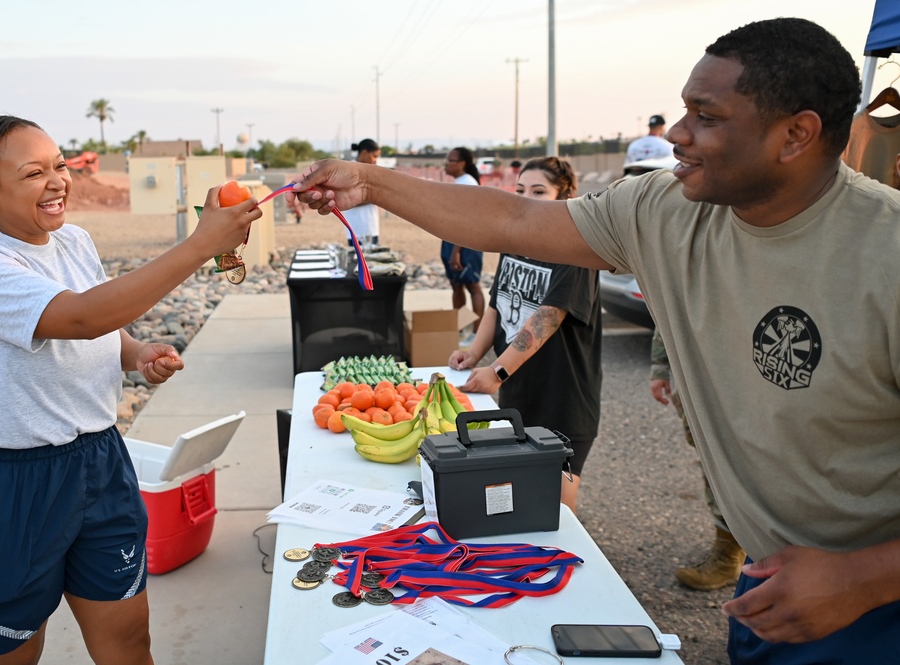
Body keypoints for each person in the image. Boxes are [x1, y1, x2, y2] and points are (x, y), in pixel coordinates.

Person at [291, 18, 900, 663]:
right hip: (774, 587)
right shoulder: (664, 209)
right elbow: (517, 218)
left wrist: (862, 578)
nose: (677, 136)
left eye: (707, 116)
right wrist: (374, 184)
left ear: (796, 134)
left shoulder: (882, 254)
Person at [0, 115, 259, 664]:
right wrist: (202, 245)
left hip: (98, 463)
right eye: (33, 173)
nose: (57, 180)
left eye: (59, 165)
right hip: (7, 479)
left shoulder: (74, 241)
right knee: (14, 653)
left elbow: (100, 321)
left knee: (128, 639)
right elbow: (77, 318)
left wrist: (134, 353)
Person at [448, 157, 601, 514]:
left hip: (563, 397)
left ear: (563, 196)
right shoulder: (516, 239)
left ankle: (564, 560)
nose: (526, 199)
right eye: (520, 191)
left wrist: (497, 371)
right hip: (518, 391)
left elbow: (548, 317)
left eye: (538, 191)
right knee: (518, 491)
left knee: (556, 500)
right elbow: (497, 304)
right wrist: (474, 353)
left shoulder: (576, 249)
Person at [650, 328, 745, 590]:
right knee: (715, 461)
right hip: (700, 376)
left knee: (739, 462)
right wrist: (660, 365)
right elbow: (668, 309)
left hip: (742, 375)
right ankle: (729, 554)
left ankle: (741, 551)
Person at [441, 147, 485, 333]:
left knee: (472, 285)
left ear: (462, 164)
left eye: (450, 160)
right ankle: (458, 329)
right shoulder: (459, 182)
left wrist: (457, 251)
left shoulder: (468, 183)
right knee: (456, 284)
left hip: (465, 243)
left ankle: (477, 332)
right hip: (452, 240)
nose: (446, 163)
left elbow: (469, 221)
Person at [342, 138, 381, 245]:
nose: (375, 160)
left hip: (372, 228)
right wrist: (375, 197)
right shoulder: (349, 170)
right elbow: (347, 199)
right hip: (356, 230)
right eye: (374, 156)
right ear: (364, 153)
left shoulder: (371, 170)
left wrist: (375, 196)